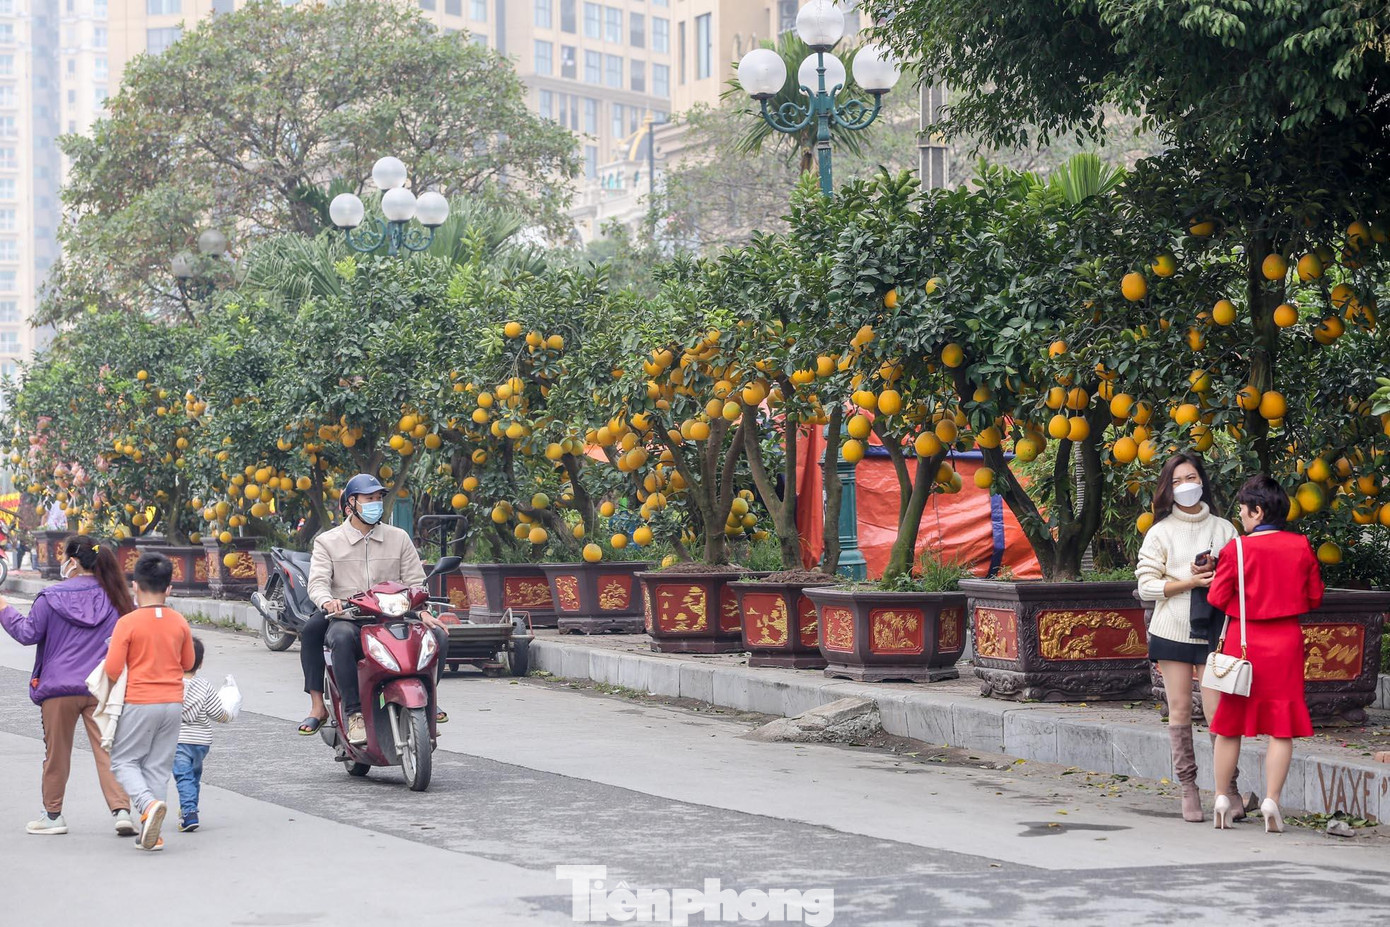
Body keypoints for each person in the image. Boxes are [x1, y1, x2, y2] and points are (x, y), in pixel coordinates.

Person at [1206, 474, 1324, 833]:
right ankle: (1272, 800)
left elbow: (1216, 598)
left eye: (1243, 510)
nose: (1241, 516)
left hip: (1244, 643)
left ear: (1257, 511)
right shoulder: (1301, 546)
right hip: (1286, 641)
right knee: (1281, 727)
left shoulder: (1237, 549)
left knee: (1229, 725)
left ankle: (1222, 799)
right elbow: (1314, 597)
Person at [0, 536, 138, 836]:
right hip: (101, 686)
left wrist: (3, 608)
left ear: (72, 562)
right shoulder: (116, 598)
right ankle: (122, 810)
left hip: (58, 688)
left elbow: (27, 634)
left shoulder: (50, 597)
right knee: (108, 751)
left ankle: (53, 816)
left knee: (56, 754)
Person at [303, 473, 448, 744]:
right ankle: (353, 712)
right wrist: (327, 601)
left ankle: (428, 700)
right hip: (350, 617)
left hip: (394, 616)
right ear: (351, 505)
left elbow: (415, 581)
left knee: (437, 635)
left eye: (379, 498)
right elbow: (318, 582)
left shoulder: (399, 538)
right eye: (369, 498)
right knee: (339, 638)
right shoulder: (328, 541)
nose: (376, 504)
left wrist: (424, 610)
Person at [1135, 453, 1238, 823]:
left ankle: (1228, 790)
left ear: (1203, 481)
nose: (1186, 486)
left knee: (1218, 715)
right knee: (1178, 710)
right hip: (1172, 630)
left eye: (1191, 478)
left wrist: (1214, 569)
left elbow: (1240, 575)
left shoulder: (1225, 528)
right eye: (1177, 481)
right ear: (1168, 488)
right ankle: (1188, 788)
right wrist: (1189, 581)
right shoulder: (1160, 531)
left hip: (1214, 632)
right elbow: (1146, 584)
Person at [106, 552, 195, 852]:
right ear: (169, 588)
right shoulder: (179, 621)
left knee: (123, 760)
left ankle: (147, 804)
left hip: (140, 700)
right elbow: (188, 663)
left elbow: (112, 669)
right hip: (173, 702)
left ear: (135, 586)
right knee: (158, 766)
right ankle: (151, 834)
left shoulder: (128, 623)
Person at [174, 636, 231, 833]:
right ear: (201, 663)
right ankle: (188, 808)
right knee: (193, 775)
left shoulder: (171, 684)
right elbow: (217, 712)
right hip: (201, 742)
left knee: (183, 776)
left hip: (178, 741)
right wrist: (227, 716)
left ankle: (190, 812)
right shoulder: (204, 685)